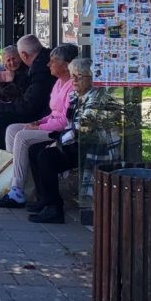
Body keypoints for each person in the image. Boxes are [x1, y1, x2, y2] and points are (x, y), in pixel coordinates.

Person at [28, 58, 122, 224]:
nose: (75, 80)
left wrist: (58, 142)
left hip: (96, 148)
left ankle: (54, 208)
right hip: (80, 144)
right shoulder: (77, 96)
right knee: (35, 150)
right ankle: (45, 200)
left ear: (92, 78)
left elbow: (82, 129)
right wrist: (55, 137)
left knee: (46, 157)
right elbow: (69, 124)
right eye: (73, 76)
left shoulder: (99, 99)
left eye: (80, 76)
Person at [0, 43, 77, 209]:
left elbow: (64, 121)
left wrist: (38, 128)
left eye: (53, 61)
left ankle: (17, 191)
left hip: (61, 131)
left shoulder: (72, 86)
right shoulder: (58, 83)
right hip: (50, 124)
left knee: (22, 136)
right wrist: (39, 122)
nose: (48, 64)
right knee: (11, 130)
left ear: (66, 65)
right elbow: (54, 112)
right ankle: (19, 184)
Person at [0, 35, 58, 189]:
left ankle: (0, 175)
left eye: (14, 58)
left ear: (23, 56)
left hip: (43, 117)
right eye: (7, 60)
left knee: (3, 121)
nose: (12, 62)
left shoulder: (37, 69)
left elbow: (28, 103)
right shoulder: (35, 67)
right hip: (36, 112)